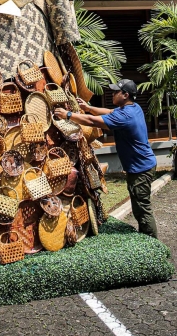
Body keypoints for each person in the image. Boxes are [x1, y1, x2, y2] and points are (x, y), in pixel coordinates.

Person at [54, 78, 158, 238]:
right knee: (138, 206)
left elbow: (92, 121)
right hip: (142, 165)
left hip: (141, 169)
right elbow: (109, 112)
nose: (112, 93)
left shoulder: (125, 117)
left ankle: (152, 242)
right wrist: (88, 107)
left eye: (116, 91)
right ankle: (146, 236)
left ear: (125, 95)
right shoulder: (133, 108)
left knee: (142, 208)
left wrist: (68, 115)